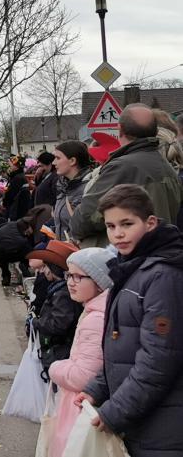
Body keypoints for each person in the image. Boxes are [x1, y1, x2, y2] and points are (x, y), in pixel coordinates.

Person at [77, 184, 183, 456]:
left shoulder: (162, 275)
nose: (118, 234)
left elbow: (159, 359)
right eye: (111, 226)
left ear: (149, 223)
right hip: (144, 418)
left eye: (127, 223)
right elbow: (124, 346)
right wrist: (97, 389)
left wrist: (116, 411)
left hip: (163, 427)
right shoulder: (135, 266)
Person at [71, 104, 183, 247]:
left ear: (120, 129)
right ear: (155, 131)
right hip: (158, 252)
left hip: (123, 255)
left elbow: (85, 219)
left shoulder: (122, 167)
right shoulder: (166, 166)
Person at [47, 247, 113, 457]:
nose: (70, 282)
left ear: (100, 282)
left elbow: (82, 377)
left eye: (79, 277)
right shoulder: (94, 310)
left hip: (78, 406)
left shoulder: (95, 319)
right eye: (69, 275)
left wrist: (55, 367)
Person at [26, 240, 81, 372]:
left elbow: (58, 324)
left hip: (60, 352)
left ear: (54, 268)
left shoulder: (62, 294)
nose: (42, 270)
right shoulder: (58, 289)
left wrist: (36, 322)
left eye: (45, 266)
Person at [52, 140, 93, 242]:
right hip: (65, 249)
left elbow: (87, 226)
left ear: (72, 161)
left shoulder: (88, 188)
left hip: (80, 252)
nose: (54, 163)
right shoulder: (63, 186)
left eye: (58, 158)